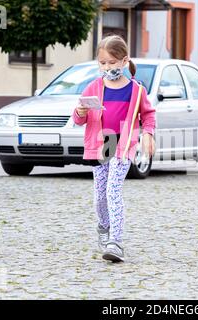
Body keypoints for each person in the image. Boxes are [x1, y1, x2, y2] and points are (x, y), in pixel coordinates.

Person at [72, 35, 156, 263]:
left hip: (122, 143)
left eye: (111, 62)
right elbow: (79, 118)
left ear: (124, 61)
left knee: (113, 191)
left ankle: (115, 242)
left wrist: (148, 134)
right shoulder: (94, 87)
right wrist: (79, 113)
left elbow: (147, 115)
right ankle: (104, 226)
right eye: (102, 63)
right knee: (99, 196)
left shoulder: (136, 90)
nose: (107, 67)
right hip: (101, 143)